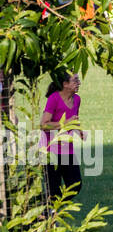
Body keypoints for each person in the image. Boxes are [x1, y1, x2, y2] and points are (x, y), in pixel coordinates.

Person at [40, 69, 84, 202]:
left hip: (67, 149)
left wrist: (78, 129)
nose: (79, 83)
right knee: (53, 190)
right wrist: (64, 123)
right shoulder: (54, 98)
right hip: (50, 150)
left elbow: (74, 119)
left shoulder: (77, 99)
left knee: (75, 185)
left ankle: (49, 210)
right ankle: (46, 213)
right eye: (75, 80)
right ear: (65, 84)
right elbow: (43, 125)